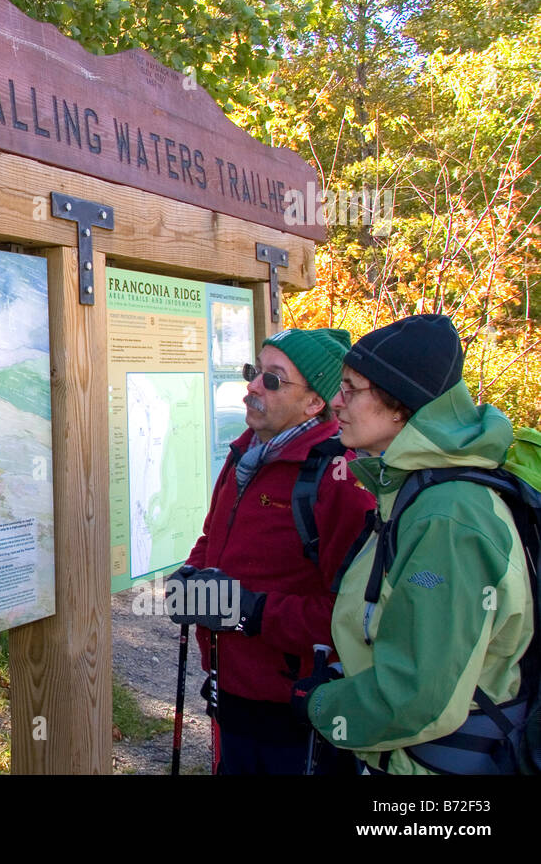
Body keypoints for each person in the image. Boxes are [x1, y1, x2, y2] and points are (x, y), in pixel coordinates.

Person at [292, 314, 534, 774]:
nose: (336, 402)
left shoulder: (448, 516)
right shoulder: (414, 490)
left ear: (401, 404)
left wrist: (324, 706)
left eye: (352, 388)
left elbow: (418, 695)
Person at [169, 327, 375, 773]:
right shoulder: (247, 451)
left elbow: (350, 614)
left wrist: (250, 611)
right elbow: (212, 538)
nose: (252, 387)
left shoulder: (340, 479)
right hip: (233, 690)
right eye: (254, 371)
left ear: (315, 402)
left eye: (273, 379)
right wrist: (191, 575)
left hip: (298, 714)